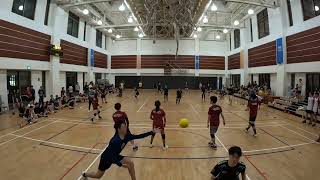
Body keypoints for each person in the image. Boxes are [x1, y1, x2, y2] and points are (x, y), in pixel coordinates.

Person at [81, 122, 158, 180]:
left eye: (125, 126)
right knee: (98, 176)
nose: (126, 128)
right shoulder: (115, 140)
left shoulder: (127, 136)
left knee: (130, 163)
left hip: (114, 155)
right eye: (123, 127)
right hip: (106, 158)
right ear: (119, 129)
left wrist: (151, 132)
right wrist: (120, 165)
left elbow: (138, 136)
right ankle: (85, 175)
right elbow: (111, 156)